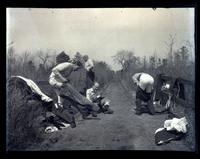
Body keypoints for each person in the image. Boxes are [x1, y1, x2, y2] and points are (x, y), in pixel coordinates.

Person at [49, 51, 99, 128]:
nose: (77, 69)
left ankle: (71, 119)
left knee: (64, 101)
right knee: (75, 95)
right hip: (54, 81)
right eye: (77, 67)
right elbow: (54, 70)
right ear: (74, 64)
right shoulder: (67, 64)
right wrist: (63, 79)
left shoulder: (72, 69)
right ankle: (91, 107)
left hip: (58, 83)